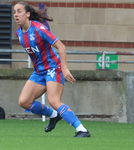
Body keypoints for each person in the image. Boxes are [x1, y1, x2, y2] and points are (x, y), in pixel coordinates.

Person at [13, 1, 90, 137]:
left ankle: (82, 130)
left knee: (54, 101)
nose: (16, 15)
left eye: (19, 11)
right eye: (14, 12)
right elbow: (32, 53)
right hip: (39, 72)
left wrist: (64, 69)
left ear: (28, 14)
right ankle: (54, 115)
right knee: (24, 101)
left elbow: (61, 47)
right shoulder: (19, 34)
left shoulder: (39, 29)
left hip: (53, 68)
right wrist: (36, 68)